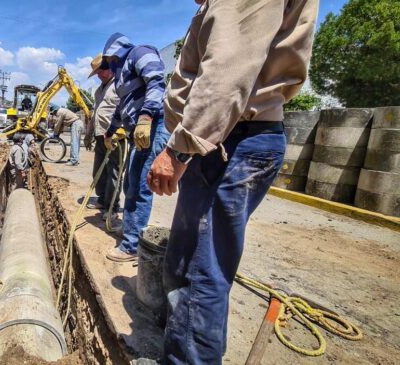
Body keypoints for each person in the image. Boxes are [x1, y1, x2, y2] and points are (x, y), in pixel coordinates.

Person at [146, 1, 319, 363]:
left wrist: (179, 150)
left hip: (229, 141)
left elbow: (227, 75)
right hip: (229, 138)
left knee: (198, 272)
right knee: (194, 267)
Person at [100, 33, 169, 262]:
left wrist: (147, 116)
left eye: (110, 59)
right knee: (130, 183)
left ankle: (131, 246)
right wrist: (110, 131)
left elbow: (157, 80)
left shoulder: (139, 52)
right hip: (136, 133)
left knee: (139, 188)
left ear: (115, 53)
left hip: (152, 127)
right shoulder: (121, 75)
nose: (110, 63)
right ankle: (131, 230)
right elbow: (122, 107)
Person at [85, 54, 122, 225]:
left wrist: (120, 130)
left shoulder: (119, 85)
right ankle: (102, 200)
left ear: (110, 68)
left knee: (114, 173)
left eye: (103, 70)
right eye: (98, 72)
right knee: (98, 171)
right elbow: (94, 113)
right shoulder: (99, 90)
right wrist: (89, 133)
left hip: (114, 136)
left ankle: (112, 208)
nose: (101, 74)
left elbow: (125, 110)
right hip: (100, 136)